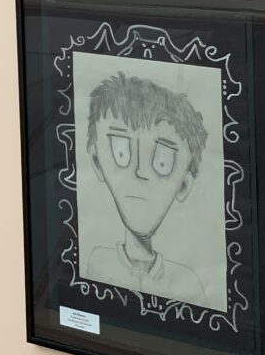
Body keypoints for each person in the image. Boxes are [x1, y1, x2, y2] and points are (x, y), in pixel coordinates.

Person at [85, 71, 208, 305]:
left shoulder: (189, 284)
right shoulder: (96, 262)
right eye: (121, 152)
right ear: (97, 161)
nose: (140, 172)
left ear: (184, 184)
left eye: (163, 161)